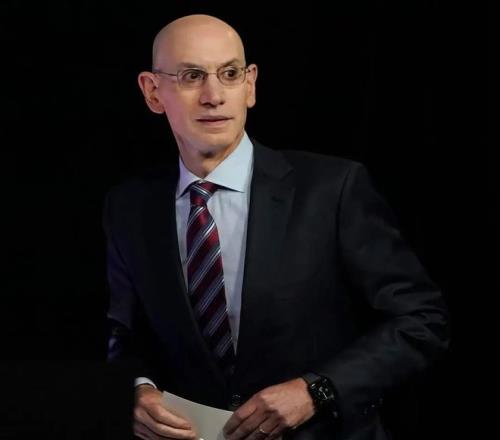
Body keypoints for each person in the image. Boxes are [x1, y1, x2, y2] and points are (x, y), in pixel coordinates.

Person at [103, 14, 449, 440]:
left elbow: (421, 319)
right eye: (192, 76)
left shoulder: (332, 190)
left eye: (229, 74)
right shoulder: (130, 207)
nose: (214, 96)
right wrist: (136, 391)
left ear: (249, 85)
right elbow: (125, 332)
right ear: (152, 92)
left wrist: (317, 390)